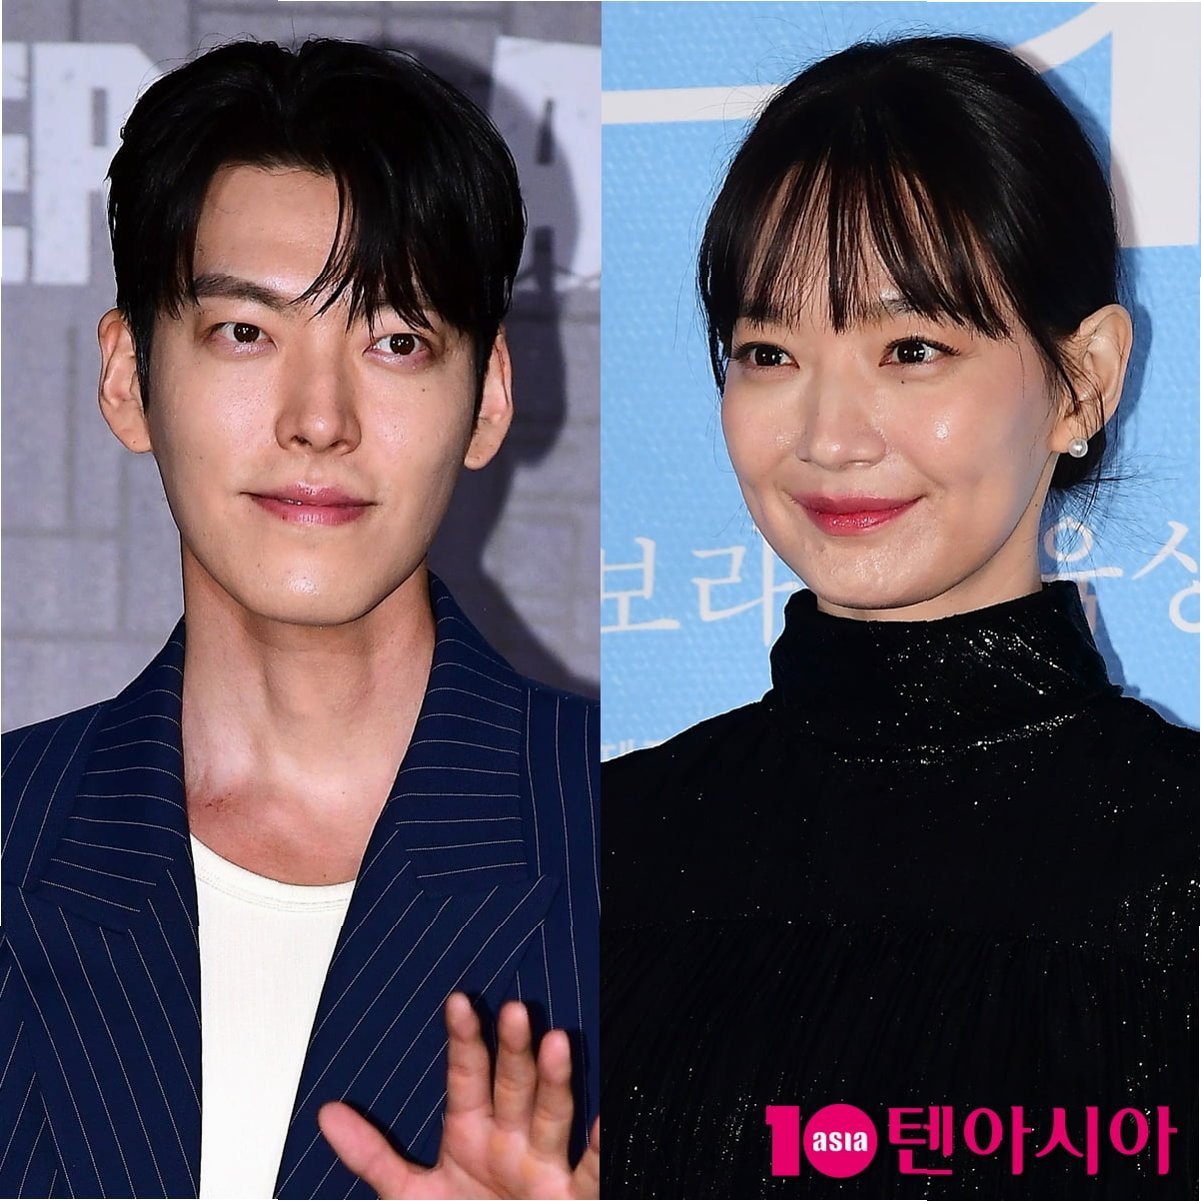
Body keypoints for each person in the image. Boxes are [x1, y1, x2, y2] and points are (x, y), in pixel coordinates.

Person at [0, 38, 599, 1200]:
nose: (318, 419)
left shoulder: (643, 844)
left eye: (395, 341)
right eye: (246, 332)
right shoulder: (16, 835)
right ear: (127, 378)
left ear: (488, 400)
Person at [601, 34, 1196, 1200]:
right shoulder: (602, 849)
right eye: (767, 353)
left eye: (910, 349)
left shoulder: (1180, 865)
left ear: (1083, 378)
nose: (828, 437)